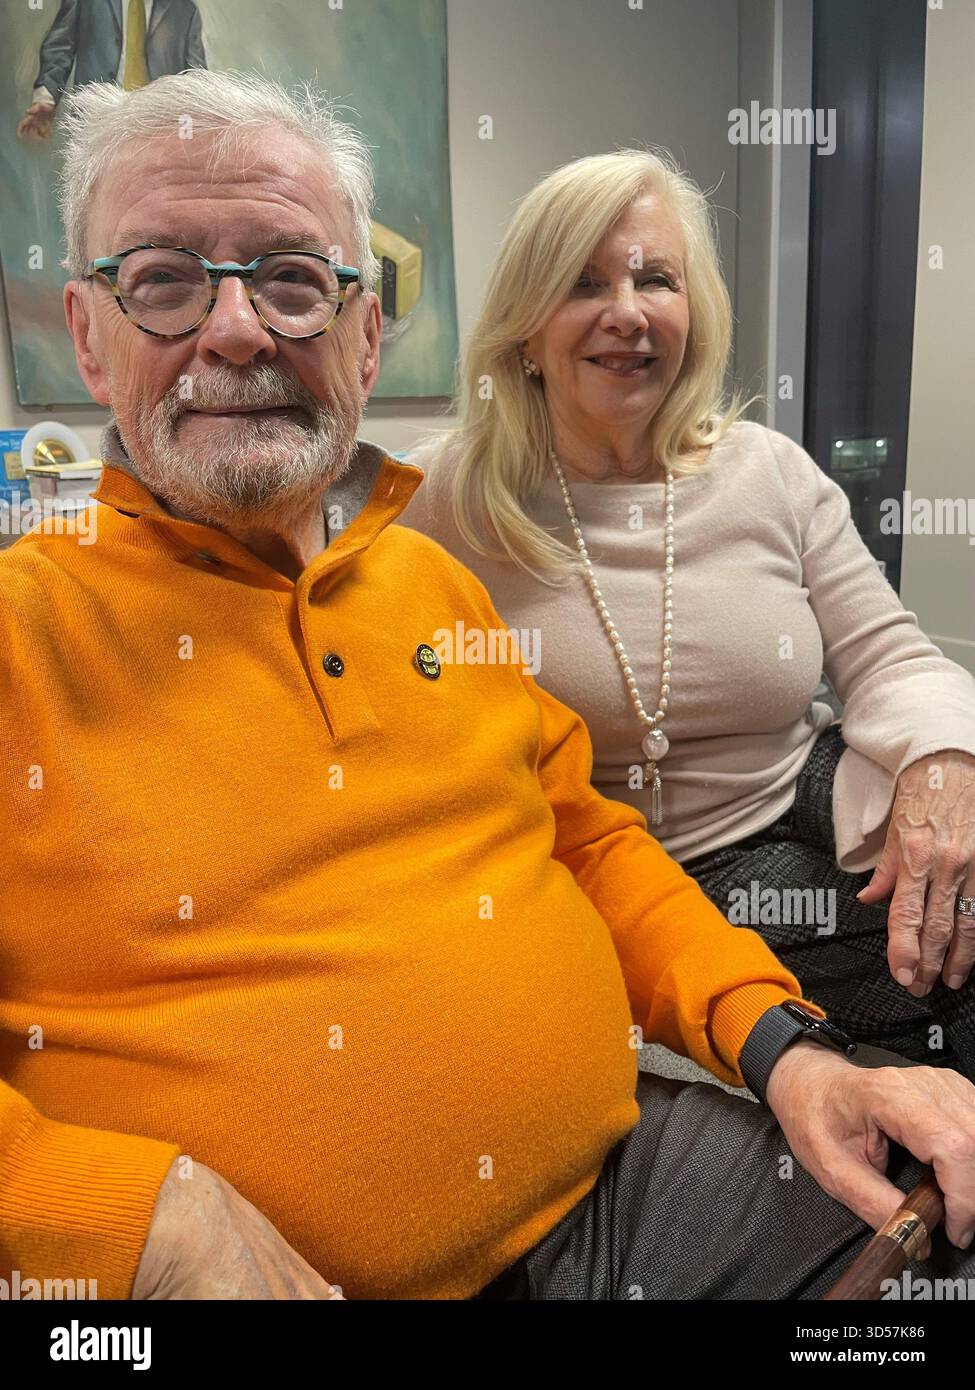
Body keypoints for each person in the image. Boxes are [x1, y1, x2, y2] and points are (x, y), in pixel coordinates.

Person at [2, 69, 975, 1303]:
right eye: (165, 281)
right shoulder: (23, 634)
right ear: (87, 334)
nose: (238, 330)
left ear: (364, 336)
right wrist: (136, 1219)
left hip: (630, 1177)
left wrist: (793, 1055)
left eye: (294, 280)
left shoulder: (429, 586)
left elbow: (587, 841)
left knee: (933, 1248)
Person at [398, 147, 975, 1083]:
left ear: (691, 311)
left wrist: (945, 764)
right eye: (583, 282)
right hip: (611, 882)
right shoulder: (439, 500)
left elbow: (893, 663)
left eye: (654, 279)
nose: (626, 312)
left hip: (810, 810)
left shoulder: (769, 471)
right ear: (524, 329)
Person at [17, 0, 207, 142]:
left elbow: (195, 77)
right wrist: (46, 101)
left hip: (157, 130)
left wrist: (196, 127)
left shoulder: (185, 10)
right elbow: (60, 45)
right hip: (95, 124)